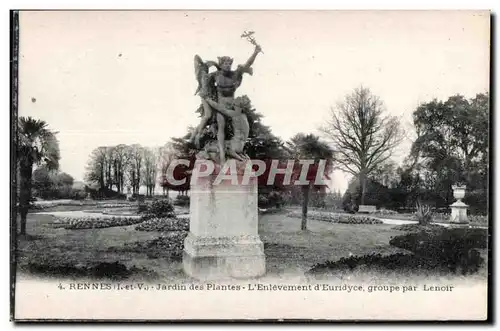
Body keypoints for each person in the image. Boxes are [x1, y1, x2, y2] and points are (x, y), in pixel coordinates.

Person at [191, 45, 262, 164]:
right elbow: (204, 82)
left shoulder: (235, 74)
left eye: (230, 64)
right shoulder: (215, 75)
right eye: (225, 63)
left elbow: (247, 64)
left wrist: (255, 52)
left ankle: (235, 150)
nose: (228, 65)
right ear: (221, 64)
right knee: (221, 128)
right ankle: (222, 156)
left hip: (232, 105)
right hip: (220, 105)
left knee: (239, 126)